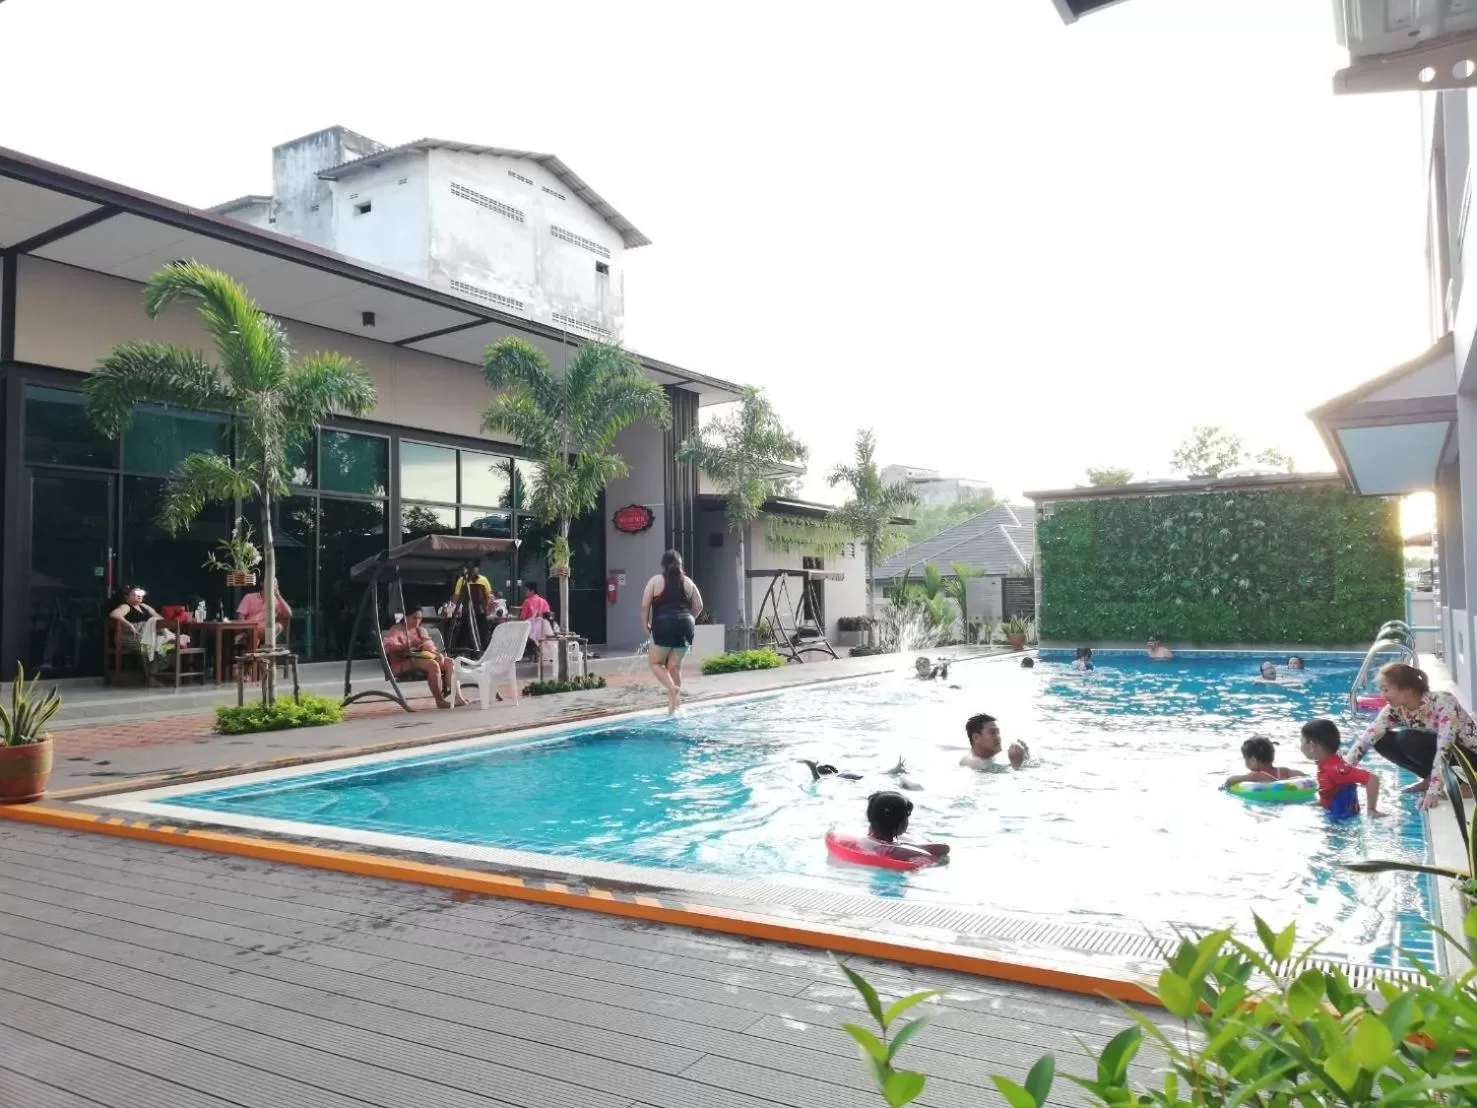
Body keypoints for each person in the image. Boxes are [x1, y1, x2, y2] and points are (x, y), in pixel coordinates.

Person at [1349, 662, 1477, 810]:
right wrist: (1342, 771)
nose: (1382, 696)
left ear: (1407, 689)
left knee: (1408, 739)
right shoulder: (1396, 709)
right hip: (1446, 758)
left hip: (1470, 762)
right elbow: (1367, 737)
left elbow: (1444, 748)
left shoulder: (1443, 702)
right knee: (1380, 739)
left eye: (1386, 689)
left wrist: (1434, 791)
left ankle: (1466, 783)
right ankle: (1429, 778)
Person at [640, 549, 704, 713]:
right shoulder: (688, 582)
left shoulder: (656, 580)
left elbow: (644, 605)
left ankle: (672, 689)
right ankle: (674, 708)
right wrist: (689, 620)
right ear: (680, 565)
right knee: (675, 668)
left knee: (655, 663)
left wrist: (645, 624)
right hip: (686, 625)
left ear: (663, 565)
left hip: (663, 625)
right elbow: (699, 606)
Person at [1301, 718, 1382, 818]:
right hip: (1334, 816)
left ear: (1312, 745)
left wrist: (1371, 810)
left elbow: (1372, 779)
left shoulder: (1337, 769)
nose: (1300, 746)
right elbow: (1329, 795)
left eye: (1302, 741)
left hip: (1343, 823)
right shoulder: (1326, 766)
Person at [382, 610, 461, 709]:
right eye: (414, 618)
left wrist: (436, 653)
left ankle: (458, 697)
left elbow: (430, 646)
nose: (417, 621)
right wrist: (408, 645)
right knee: (433, 665)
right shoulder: (396, 630)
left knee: (449, 662)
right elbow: (389, 647)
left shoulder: (421, 631)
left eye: (419, 618)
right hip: (403, 662)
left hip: (423, 658)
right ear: (406, 617)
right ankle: (439, 700)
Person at [109, 585, 187, 670]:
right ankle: (172, 637)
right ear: (127, 596)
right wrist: (129, 624)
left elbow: (160, 618)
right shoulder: (126, 606)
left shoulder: (144, 606)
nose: (139, 595)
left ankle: (153, 673)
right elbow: (114, 614)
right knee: (151, 645)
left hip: (146, 635)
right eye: (135, 593)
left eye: (141, 593)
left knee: (167, 646)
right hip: (130, 636)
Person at [860, 790, 949, 864]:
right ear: (901, 824)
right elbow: (943, 848)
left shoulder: (869, 838)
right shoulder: (894, 850)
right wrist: (904, 844)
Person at [801, 757, 922, 791]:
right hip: (860, 776)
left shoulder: (832, 778)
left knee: (880, 783)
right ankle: (895, 771)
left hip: (858, 780)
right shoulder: (840, 773)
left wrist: (812, 767)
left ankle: (899, 779)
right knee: (878, 775)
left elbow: (817, 779)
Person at [960, 713, 1030, 771]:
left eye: (998, 732)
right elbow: (1011, 780)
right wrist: (1016, 764)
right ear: (976, 738)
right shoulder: (974, 763)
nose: (998, 737)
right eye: (992, 732)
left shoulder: (985, 759)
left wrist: (1025, 756)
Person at [1224, 737, 1301, 789]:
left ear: (1253, 760)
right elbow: (1303, 775)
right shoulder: (1284, 771)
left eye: (1245, 759)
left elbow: (1230, 780)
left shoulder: (1256, 776)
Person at [519, 581, 555, 646]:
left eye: (526, 590)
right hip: (544, 632)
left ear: (532, 591)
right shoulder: (544, 601)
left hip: (530, 634)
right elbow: (548, 615)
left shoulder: (527, 602)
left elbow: (522, 618)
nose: (525, 592)